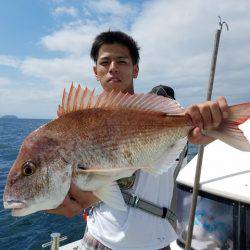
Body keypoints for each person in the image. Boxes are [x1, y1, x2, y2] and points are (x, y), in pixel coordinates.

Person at [46, 31, 229, 249]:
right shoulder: (78, 125)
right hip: (97, 240)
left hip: (155, 245)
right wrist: (47, 195)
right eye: (105, 62)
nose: (113, 66)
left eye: (121, 61)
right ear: (96, 72)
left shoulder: (162, 121)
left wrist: (209, 124)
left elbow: (194, 136)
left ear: (135, 69)